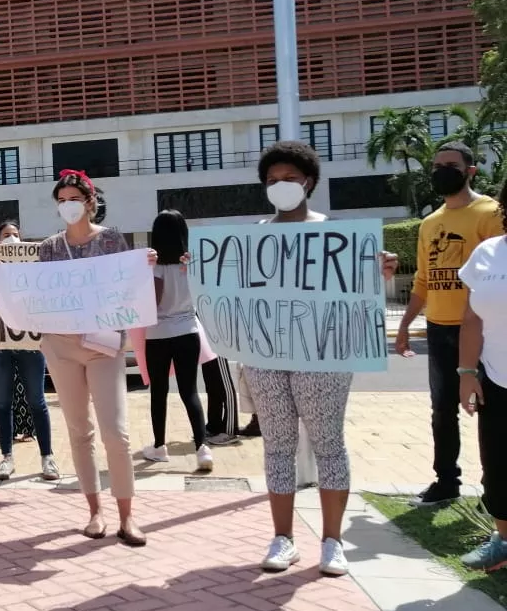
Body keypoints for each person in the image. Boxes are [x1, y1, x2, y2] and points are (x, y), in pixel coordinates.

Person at [245, 142, 397, 576]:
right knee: (276, 445)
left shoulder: (337, 236)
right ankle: (283, 539)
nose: (280, 186)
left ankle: (332, 542)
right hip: (265, 354)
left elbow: (354, 285)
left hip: (324, 355)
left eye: (289, 179)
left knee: (328, 444)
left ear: (309, 182)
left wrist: (379, 268)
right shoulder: (253, 235)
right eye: (273, 181)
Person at [36, 170, 148, 545]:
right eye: (61, 200)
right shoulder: (49, 248)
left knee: (115, 433)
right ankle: (94, 511)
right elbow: (37, 295)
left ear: (90, 201)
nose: (68, 206)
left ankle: (127, 516)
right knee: (79, 431)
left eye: (74, 198)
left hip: (103, 345)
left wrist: (144, 266)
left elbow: (130, 286)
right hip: (61, 346)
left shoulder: (113, 240)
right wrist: (1, 282)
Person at [396, 143, 501, 507]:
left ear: (470, 170)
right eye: (437, 165)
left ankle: (494, 490)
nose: (442, 170)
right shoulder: (430, 223)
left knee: (492, 412)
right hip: (439, 329)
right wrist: (406, 323)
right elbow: (423, 280)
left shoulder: (489, 213)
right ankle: (446, 480)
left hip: (482, 331)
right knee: (442, 410)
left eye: (451, 165)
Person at [457, 181, 507, 573]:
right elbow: (472, 316)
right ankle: (503, 541)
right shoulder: (489, 253)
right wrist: (467, 373)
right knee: (499, 465)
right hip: (495, 379)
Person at [0, 220, 57, 482]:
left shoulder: (34, 269)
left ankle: (47, 457)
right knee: (2, 403)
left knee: (37, 401)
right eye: (6, 235)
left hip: (29, 344)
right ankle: (6, 457)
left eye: (16, 235)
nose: (12, 239)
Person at [141, 210, 212, 472]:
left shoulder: (153, 265)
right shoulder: (191, 264)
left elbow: (152, 301)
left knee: (158, 392)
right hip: (188, 331)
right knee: (189, 391)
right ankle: (202, 447)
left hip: (158, 334)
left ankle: (159, 447)